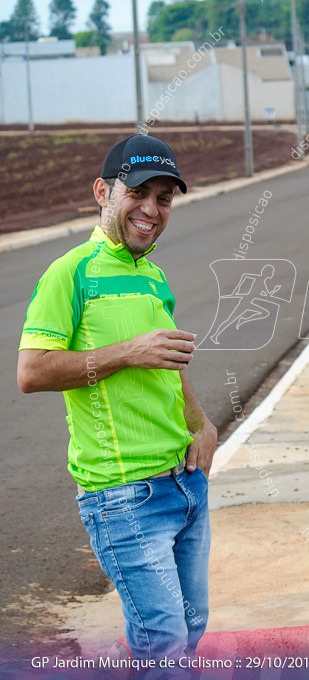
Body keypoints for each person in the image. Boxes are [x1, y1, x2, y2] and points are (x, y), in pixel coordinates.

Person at [17, 135, 217, 668]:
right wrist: (129, 351)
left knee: (189, 634)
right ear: (103, 191)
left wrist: (202, 423)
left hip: (185, 483)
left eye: (165, 198)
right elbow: (31, 372)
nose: (151, 210)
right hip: (124, 497)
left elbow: (167, 363)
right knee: (165, 646)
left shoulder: (152, 275)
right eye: (139, 193)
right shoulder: (70, 273)